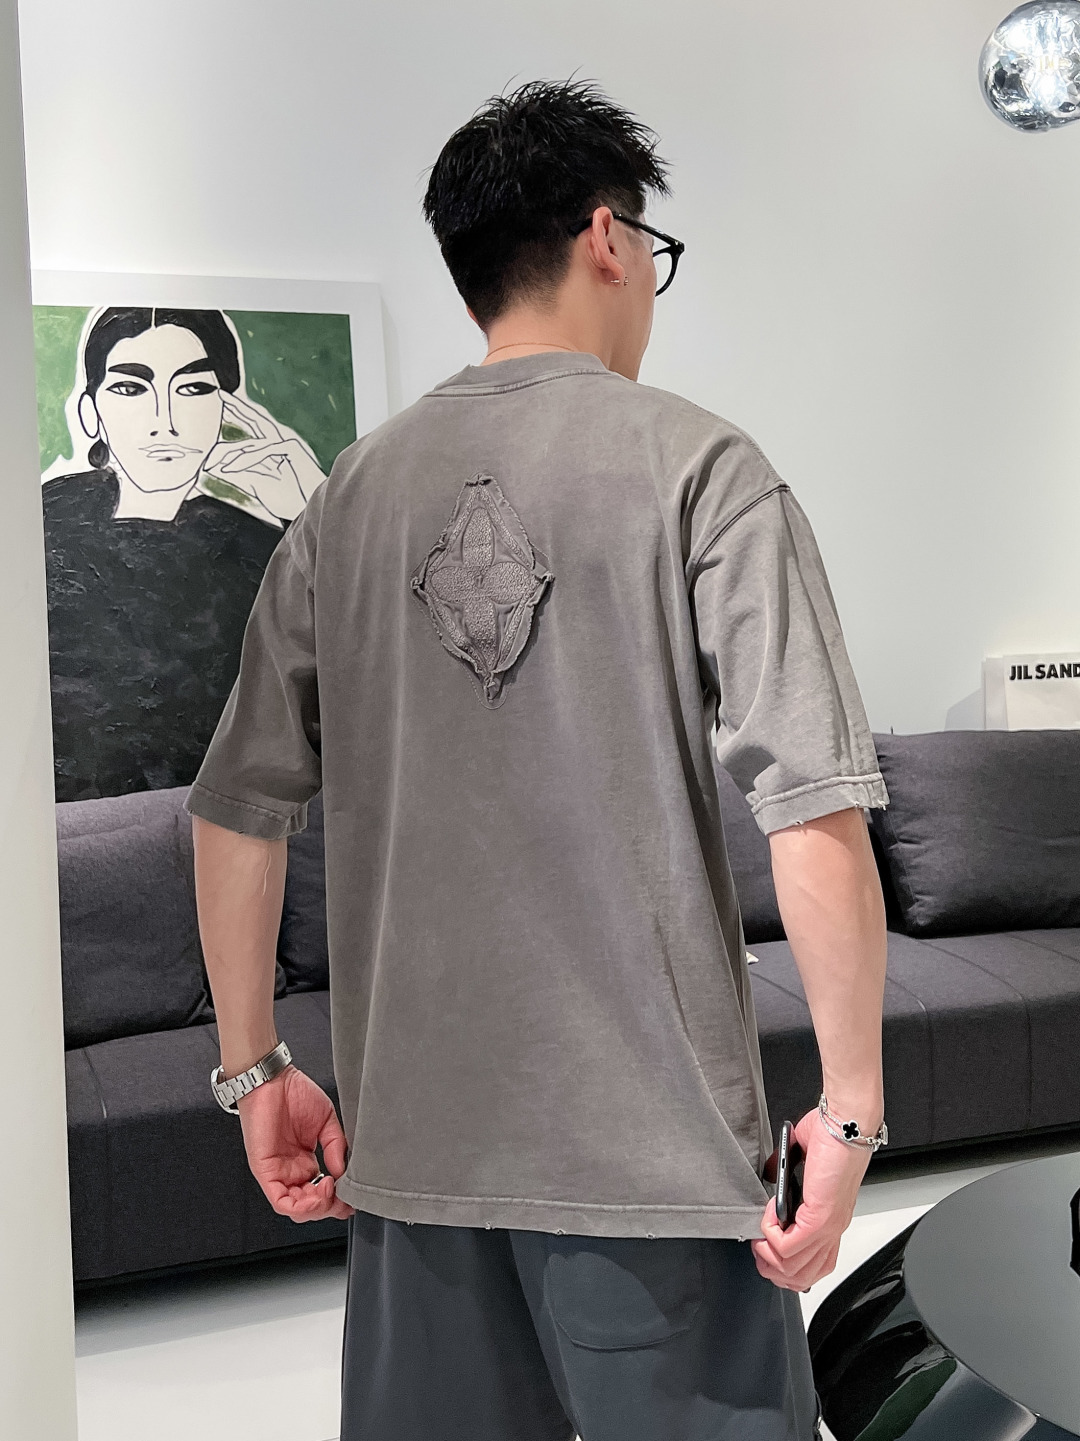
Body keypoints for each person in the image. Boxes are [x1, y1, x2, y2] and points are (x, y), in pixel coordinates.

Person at [187, 80, 889, 1441]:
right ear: (608, 237)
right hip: (659, 1179)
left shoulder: (346, 499)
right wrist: (850, 1114)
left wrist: (253, 1069)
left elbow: (236, 809)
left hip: (410, 1170)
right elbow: (812, 807)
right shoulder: (702, 468)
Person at [42, 306, 326, 799]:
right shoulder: (42, 519)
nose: (165, 422)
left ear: (227, 410)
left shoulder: (260, 547)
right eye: (129, 388)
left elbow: (344, 673)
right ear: (90, 413)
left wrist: (310, 510)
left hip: (225, 818)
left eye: (193, 389)